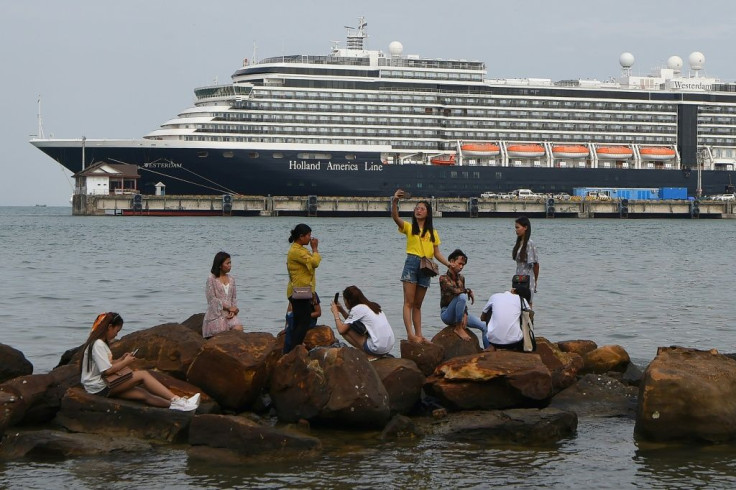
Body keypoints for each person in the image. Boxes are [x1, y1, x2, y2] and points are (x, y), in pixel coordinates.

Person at [80, 312, 200, 411]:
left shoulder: (98, 343)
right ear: (109, 327)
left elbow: (104, 365)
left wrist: (121, 360)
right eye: (117, 330)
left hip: (97, 387)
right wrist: (126, 362)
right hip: (99, 387)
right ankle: (178, 400)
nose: (117, 334)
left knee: (142, 394)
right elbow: (107, 371)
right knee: (143, 375)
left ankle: (178, 407)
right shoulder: (98, 344)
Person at [391, 189, 451, 344]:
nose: (418, 210)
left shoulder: (433, 232)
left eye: (422, 208)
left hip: (427, 266)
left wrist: (449, 264)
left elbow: (437, 253)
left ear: (428, 213)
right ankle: (410, 334)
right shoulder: (410, 228)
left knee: (418, 305)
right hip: (412, 262)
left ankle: (419, 334)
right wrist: (395, 201)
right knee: (408, 302)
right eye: (416, 208)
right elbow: (395, 217)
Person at [439, 249, 489, 348]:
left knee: (485, 326)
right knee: (461, 296)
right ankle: (458, 328)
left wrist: (465, 313)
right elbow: (455, 291)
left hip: (460, 313)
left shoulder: (461, 278)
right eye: (459, 263)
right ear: (452, 262)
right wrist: (468, 291)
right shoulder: (443, 278)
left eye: (463, 265)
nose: (461, 267)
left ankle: (488, 351)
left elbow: (461, 296)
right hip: (447, 313)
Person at [285, 223, 321, 353]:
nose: (310, 238)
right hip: (298, 291)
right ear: (301, 237)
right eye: (308, 235)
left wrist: (312, 293)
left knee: (301, 321)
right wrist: (315, 249)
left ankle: (294, 349)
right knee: (304, 321)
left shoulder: (300, 249)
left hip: (302, 290)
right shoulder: (296, 251)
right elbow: (315, 262)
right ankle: (295, 350)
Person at [330, 286, 395, 357]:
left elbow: (341, 330)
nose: (345, 303)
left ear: (349, 301)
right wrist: (341, 310)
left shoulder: (357, 309)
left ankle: (367, 354)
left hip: (377, 348)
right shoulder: (372, 305)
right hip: (389, 346)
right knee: (352, 326)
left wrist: (335, 313)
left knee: (345, 331)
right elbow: (351, 321)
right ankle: (370, 352)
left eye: (344, 300)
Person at [202, 251, 243, 338]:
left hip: (229, 313)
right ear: (220, 265)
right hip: (216, 314)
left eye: (230, 263)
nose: (230, 265)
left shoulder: (232, 279)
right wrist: (228, 307)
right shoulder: (211, 279)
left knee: (239, 328)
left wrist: (233, 310)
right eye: (227, 263)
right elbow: (212, 299)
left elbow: (234, 298)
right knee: (221, 332)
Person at [480, 285, 532, 351]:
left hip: (494, 342)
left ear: (513, 290)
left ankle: (491, 346)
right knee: (524, 314)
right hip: (515, 343)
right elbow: (530, 318)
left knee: (489, 311)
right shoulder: (522, 300)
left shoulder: (494, 296)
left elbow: (482, 318)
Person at [512, 216, 540, 306]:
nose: (516, 230)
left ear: (525, 227)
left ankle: (529, 320)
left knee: (527, 304)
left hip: (527, 278)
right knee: (517, 303)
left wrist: (535, 281)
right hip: (518, 278)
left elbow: (535, 264)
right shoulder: (519, 243)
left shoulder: (529, 243)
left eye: (518, 227)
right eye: (515, 228)